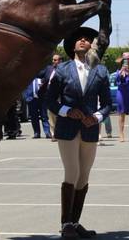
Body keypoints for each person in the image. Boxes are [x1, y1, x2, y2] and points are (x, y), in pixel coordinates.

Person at [46, 27, 111, 239]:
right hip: (67, 128)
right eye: (79, 39)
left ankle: (75, 222)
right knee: (72, 173)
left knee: (84, 176)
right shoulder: (62, 70)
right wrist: (66, 111)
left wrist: (98, 117)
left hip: (90, 128)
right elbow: (50, 101)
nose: (83, 41)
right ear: (72, 46)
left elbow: (109, 104)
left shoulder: (101, 71)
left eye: (87, 39)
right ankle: (65, 224)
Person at [39, 53, 63, 141]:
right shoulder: (49, 68)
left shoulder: (64, 69)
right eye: (53, 60)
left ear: (60, 61)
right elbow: (39, 74)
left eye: (55, 60)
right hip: (50, 96)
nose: (53, 61)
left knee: (60, 115)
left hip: (61, 96)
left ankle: (61, 132)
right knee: (51, 115)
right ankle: (53, 134)